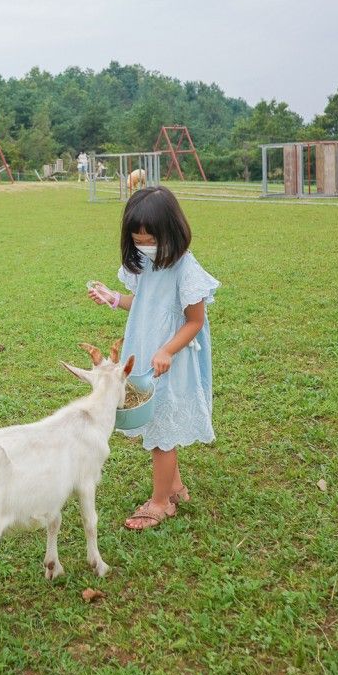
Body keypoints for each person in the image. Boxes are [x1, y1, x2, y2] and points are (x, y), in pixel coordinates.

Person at [87, 186, 220, 531]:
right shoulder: (145, 263)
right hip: (147, 352)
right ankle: (174, 488)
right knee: (155, 419)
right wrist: (114, 298)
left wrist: (167, 350)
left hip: (172, 359)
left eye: (151, 238)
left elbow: (195, 321)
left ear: (171, 231)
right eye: (138, 238)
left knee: (161, 428)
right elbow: (144, 301)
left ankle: (160, 503)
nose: (145, 245)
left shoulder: (186, 269)